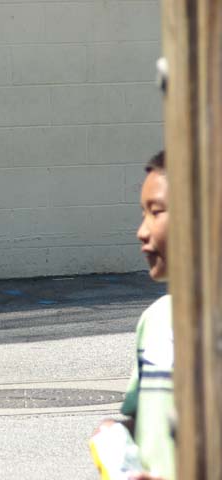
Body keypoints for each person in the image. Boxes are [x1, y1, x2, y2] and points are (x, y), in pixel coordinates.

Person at [95, 151, 174, 480]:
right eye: (143, 214)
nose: (142, 231)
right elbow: (145, 421)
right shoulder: (155, 321)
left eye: (156, 212)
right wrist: (117, 434)